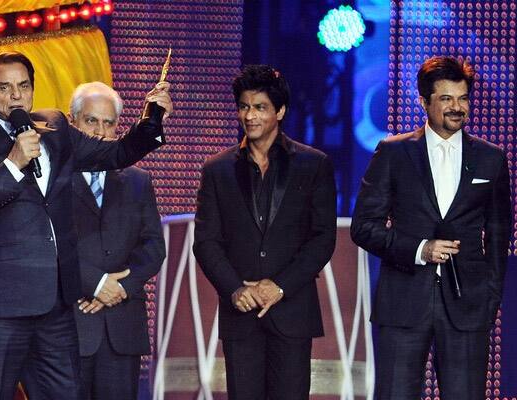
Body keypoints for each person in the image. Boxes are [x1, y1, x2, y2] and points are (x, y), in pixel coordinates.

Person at [0, 51, 171, 400]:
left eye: (23, 85)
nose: (15, 95)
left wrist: (152, 120)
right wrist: (14, 164)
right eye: (4, 87)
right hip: (1, 307)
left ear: (33, 89)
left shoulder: (54, 126)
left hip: (55, 306)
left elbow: (115, 154)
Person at [351, 56, 511, 399]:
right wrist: (419, 249)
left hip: (468, 307)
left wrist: (490, 296)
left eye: (463, 98)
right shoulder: (393, 153)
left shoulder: (491, 158)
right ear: (424, 101)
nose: (457, 107)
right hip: (403, 303)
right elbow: (364, 226)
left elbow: (499, 234)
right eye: (446, 98)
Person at [193, 65, 337, 399]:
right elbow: (206, 242)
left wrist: (280, 287)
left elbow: (322, 239)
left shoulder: (313, 164)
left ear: (280, 111)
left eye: (260, 107)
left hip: (291, 311)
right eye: (244, 106)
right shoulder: (217, 169)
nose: (250, 115)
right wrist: (234, 289)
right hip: (240, 312)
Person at [69, 82, 166, 399]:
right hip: (71, 325)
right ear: (73, 124)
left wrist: (120, 288)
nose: (99, 131)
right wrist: (96, 284)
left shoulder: (138, 180)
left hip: (122, 329)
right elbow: (50, 244)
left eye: (108, 123)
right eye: (91, 121)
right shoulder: (51, 178)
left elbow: (152, 247)